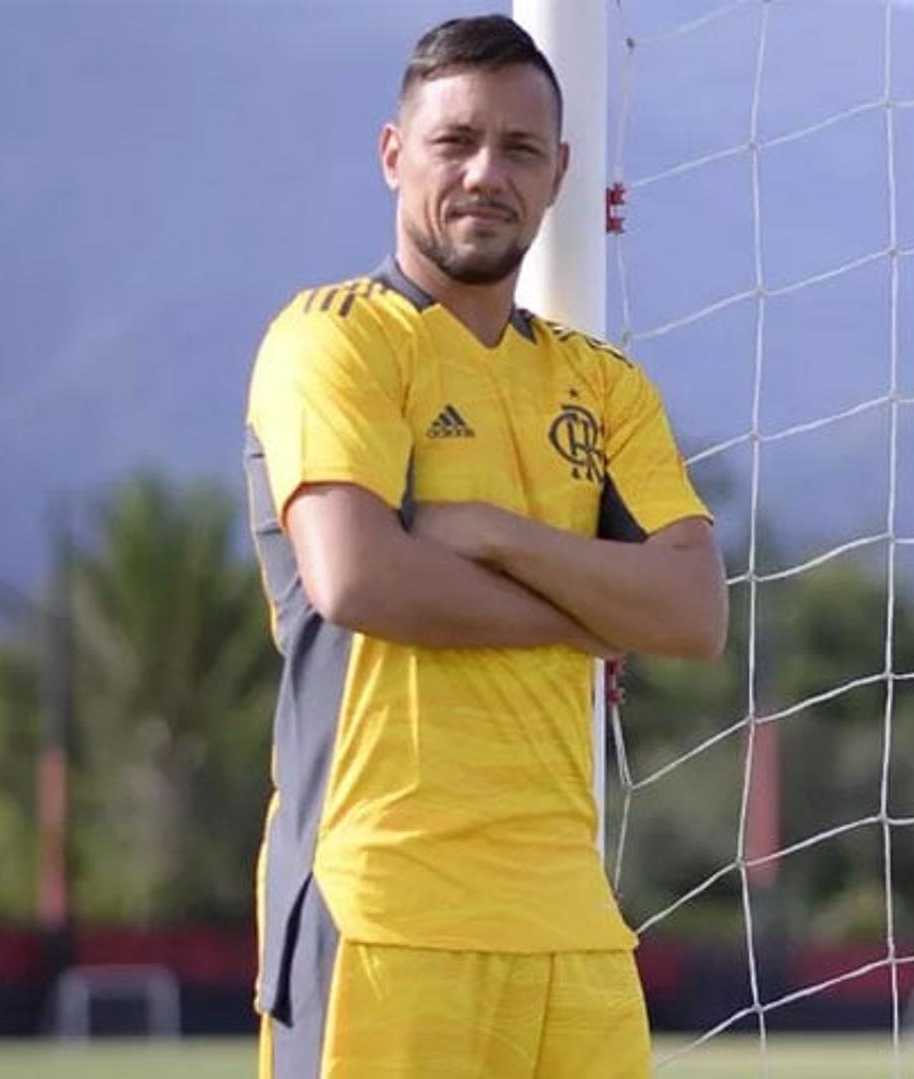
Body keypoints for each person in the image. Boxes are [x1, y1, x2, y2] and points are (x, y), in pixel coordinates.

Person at [242, 14, 726, 1078]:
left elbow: (692, 615)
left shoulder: (603, 385)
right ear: (392, 155)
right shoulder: (337, 339)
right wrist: (592, 614)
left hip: (572, 920)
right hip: (381, 908)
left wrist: (497, 537)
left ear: (558, 175)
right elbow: (360, 576)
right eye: (454, 141)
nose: (483, 174)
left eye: (517, 150)